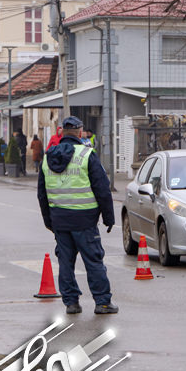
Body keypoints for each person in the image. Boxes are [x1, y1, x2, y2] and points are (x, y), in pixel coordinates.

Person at [37, 116, 118, 315]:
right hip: (85, 221)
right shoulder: (86, 154)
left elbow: (42, 193)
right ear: (80, 132)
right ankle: (103, 303)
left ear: (61, 131)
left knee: (65, 263)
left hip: (60, 221)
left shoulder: (47, 158)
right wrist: (109, 218)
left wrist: (49, 222)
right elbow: (102, 189)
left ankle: (71, 303)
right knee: (93, 261)